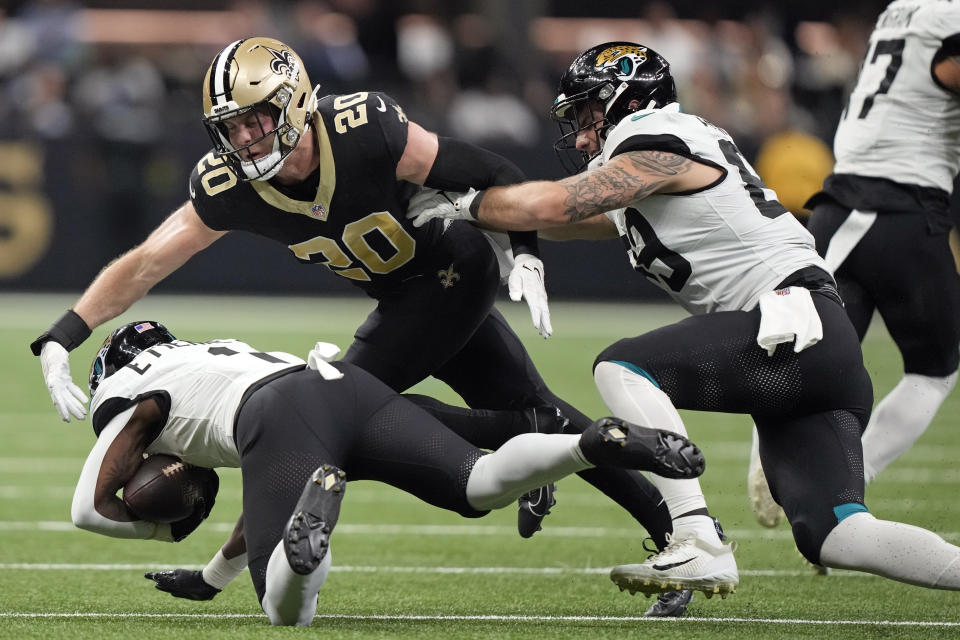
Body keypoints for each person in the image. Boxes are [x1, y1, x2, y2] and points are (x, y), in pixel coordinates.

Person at [30, 37, 678, 555]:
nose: (249, 139)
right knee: (538, 409)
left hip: (453, 270)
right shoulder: (229, 184)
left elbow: (488, 170)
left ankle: (519, 446)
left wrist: (527, 253)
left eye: (258, 118)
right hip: (407, 298)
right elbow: (145, 263)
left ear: (294, 102)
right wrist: (64, 332)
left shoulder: (362, 127)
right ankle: (678, 529)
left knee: (330, 414)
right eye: (233, 127)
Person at [408, 41, 960, 594]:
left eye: (587, 113)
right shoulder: (666, 153)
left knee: (621, 367)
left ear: (627, 99)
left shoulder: (655, 139)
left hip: (789, 323)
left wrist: (464, 205)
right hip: (813, 342)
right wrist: (486, 221)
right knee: (838, 535)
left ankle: (697, 537)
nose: (579, 135)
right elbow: (577, 222)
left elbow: (555, 204)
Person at [70, 320, 705, 626]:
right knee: (479, 484)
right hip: (336, 384)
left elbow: (89, 509)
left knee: (286, 611)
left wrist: (164, 534)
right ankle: (586, 446)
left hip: (281, 417)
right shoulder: (212, 357)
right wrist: (211, 578)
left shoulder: (128, 391)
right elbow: (271, 488)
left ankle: (314, 535)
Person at [803, 0, 960, 489]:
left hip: (840, 204)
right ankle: (845, 480)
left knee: (811, 360)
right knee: (934, 370)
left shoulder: (903, 10)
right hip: (894, 209)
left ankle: (806, 476)